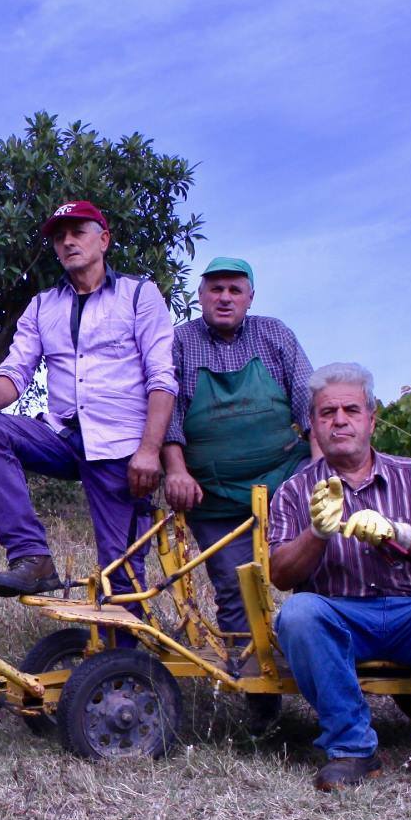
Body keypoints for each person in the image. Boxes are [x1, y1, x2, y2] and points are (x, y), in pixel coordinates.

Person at [268, 363, 411, 795]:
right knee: (298, 613)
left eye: (351, 410)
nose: (339, 420)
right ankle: (352, 749)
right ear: (313, 426)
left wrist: (400, 532)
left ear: (372, 419)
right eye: (327, 412)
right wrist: (317, 533)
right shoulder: (295, 491)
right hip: (343, 616)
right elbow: (281, 574)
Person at [0, 200, 176, 598]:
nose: (68, 242)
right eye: (60, 238)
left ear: (104, 239)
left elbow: (162, 378)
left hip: (120, 448)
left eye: (78, 233)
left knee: (121, 576)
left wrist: (149, 450)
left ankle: (122, 661)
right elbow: (16, 369)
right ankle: (32, 558)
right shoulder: (43, 305)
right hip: (62, 437)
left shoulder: (139, 295)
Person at [160, 256, 314, 734]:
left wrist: (323, 467)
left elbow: (309, 401)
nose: (224, 297)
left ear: (250, 297)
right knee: (235, 590)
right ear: (201, 295)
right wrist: (176, 471)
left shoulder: (275, 335)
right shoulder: (180, 342)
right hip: (216, 495)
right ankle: (260, 704)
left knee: (316, 575)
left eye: (234, 289)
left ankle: (329, 679)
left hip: (286, 484)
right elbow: (167, 409)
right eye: (215, 289)